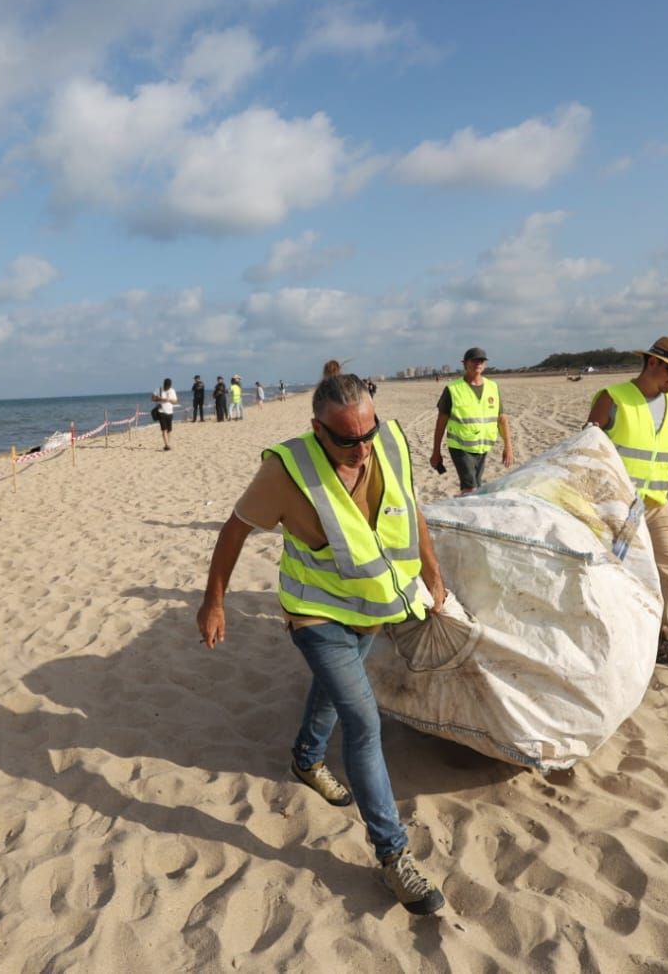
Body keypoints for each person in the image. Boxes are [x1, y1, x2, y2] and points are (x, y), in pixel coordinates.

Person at [195, 373, 449, 916]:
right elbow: (234, 530)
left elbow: (410, 508)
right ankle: (393, 856)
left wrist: (431, 568)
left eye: (368, 433)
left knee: (336, 695)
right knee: (364, 721)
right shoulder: (286, 471)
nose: (361, 448)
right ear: (317, 429)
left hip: (370, 609)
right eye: (346, 439)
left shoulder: (391, 444)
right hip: (316, 615)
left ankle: (305, 759)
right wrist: (214, 600)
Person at [586, 336, 668, 672]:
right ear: (653, 362)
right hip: (614, 503)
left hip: (656, 503)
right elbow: (586, 448)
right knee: (610, 573)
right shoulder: (613, 398)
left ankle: (660, 640)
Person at [429, 347, 513, 495]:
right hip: (460, 447)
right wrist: (436, 452)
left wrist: (508, 447)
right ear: (465, 364)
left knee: (476, 485)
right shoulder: (452, 389)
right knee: (470, 487)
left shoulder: (493, 387)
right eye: (474, 360)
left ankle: (467, 508)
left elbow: (501, 419)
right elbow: (441, 422)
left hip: (482, 447)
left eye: (481, 361)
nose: (478, 363)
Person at [152, 378, 178, 450]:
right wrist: (160, 399)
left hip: (170, 411)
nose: (166, 387)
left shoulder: (172, 391)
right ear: (164, 384)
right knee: (164, 429)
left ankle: (167, 444)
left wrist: (169, 400)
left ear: (170, 385)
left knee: (169, 430)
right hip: (161, 411)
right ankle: (166, 445)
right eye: (166, 386)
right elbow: (153, 398)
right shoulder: (158, 389)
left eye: (168, 386)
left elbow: (175, 401)